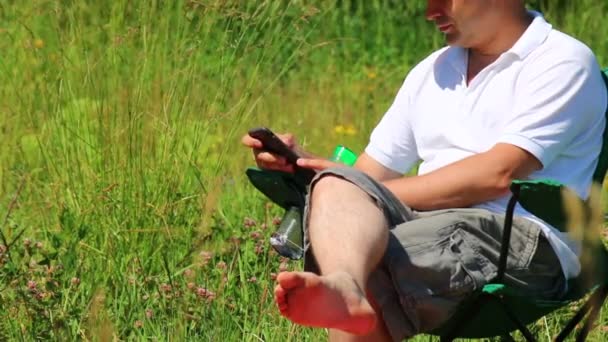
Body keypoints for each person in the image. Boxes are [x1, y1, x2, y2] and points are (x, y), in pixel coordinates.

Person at [242, 1, 608, 341]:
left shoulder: (562, 61)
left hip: (524, 238)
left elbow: (498, 173)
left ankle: (350, 288)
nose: (430, 12)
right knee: (343, 210)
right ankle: (344, 283)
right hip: (428, 224)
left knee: (371, 262)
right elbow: (372, 172)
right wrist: (307, 164)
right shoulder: (433, 70)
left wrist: (366, 189)